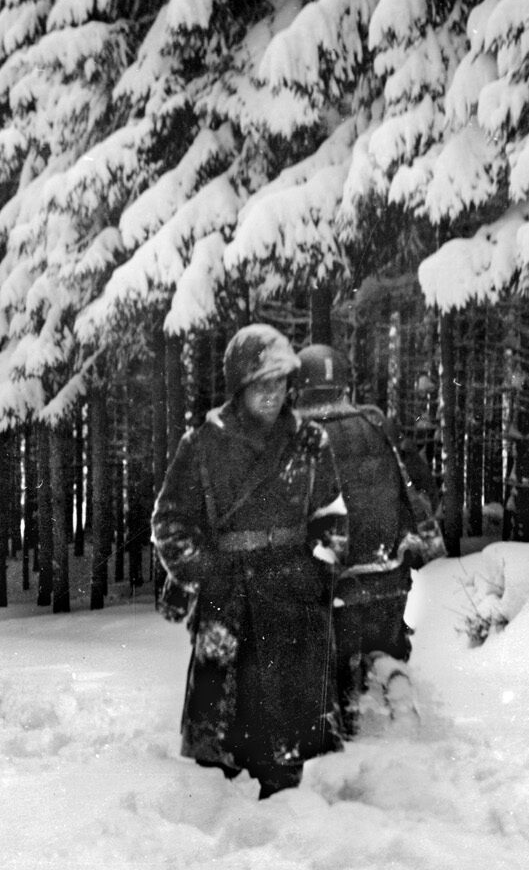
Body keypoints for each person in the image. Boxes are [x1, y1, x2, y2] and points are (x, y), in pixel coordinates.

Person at [151, 324, 347, 799]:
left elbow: (332, 517)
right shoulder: (202, 445)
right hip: (228, 603)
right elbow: (170, 523)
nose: (273, 395)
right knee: (219, 756)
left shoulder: (310, 442)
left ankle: (282, 838)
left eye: (280, 384)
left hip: (292, 606)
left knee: (286, 750)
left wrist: (316, 572)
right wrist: (207, 571)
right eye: (263, 384)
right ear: (240, 387)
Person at [292, 343, 444, 733]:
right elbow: (422, 487)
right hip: (389, 574)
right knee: (384, 647)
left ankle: (352, 752)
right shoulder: (377, 424)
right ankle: (398, 689)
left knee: (330, 675)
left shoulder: (295, 439)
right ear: (344, 383)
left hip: (335, 583)